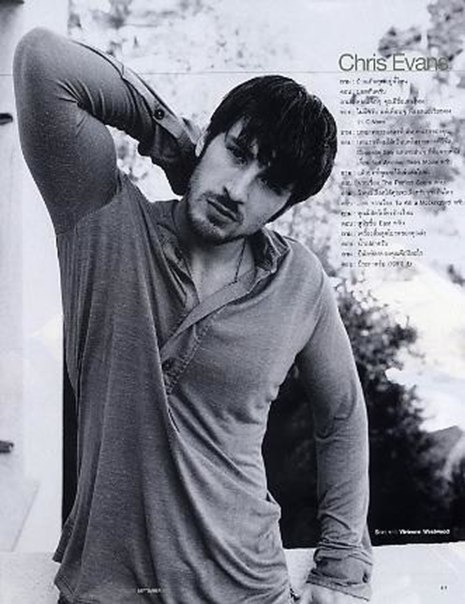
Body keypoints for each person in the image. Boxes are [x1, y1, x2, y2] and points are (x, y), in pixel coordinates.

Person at [13, 28, 372, 604]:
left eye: (271, 183)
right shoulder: (104, 222)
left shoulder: (297, 279)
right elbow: (43, 60)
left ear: (287, 204)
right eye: (237, 153)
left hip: (250, 588)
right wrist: (172, 144)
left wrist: (343, 563)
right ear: (210, 137)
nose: (238, 189)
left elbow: (343, 416)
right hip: (106, 593)